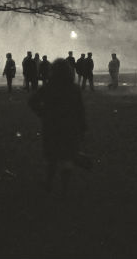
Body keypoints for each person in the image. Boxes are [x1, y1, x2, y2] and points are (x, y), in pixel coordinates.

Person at [29, 59, 87, 195]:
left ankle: (49, 183)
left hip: (52, 126)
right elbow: (80, 110)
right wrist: (83, 127)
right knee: (67, 157)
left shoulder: (49, 87)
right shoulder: (74, 89)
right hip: (70, 127)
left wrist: (42, 113)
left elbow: (32, 101)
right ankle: (64, 188)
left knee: (52, 157)